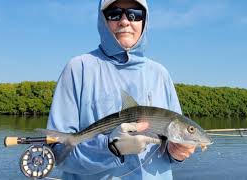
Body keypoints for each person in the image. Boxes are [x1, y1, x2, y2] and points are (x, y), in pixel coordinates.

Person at [47, 0, 196, 179]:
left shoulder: (160, 73)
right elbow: (58, 154)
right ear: (103, 20)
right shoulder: (78, 68)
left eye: (135, 14)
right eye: (114, 13)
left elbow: (171, 149)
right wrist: (110, 148)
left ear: (144, 20)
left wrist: (177, 153)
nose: (125, 21)